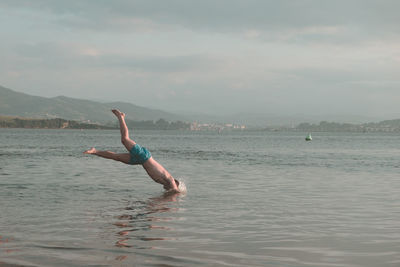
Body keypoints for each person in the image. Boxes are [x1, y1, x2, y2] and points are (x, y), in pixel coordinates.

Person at [84, 109, 184, 193]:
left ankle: (95, 151)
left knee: (117, 157)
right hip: (144, 156)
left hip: (140, 161)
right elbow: (175, 191)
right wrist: (177, 196)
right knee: (125, 139)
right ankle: (121, 116)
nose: (167, 189)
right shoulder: (170, 179)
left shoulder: (164, 182)